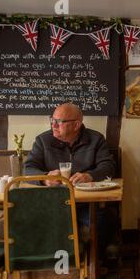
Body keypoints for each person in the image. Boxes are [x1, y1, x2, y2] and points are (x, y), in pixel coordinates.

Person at [24, 103, 116, 257]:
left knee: (105, 220)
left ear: (76, 124)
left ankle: (91, 264)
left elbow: (108, 166)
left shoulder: (96, 139)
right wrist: (45, 179)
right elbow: (28, 168)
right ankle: (58, 270)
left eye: (59, 122)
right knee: (28, 219)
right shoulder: (43, 140)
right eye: (52, 120)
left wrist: (90, 176)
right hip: (52, 204)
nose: (53, 125)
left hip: (85, 205)